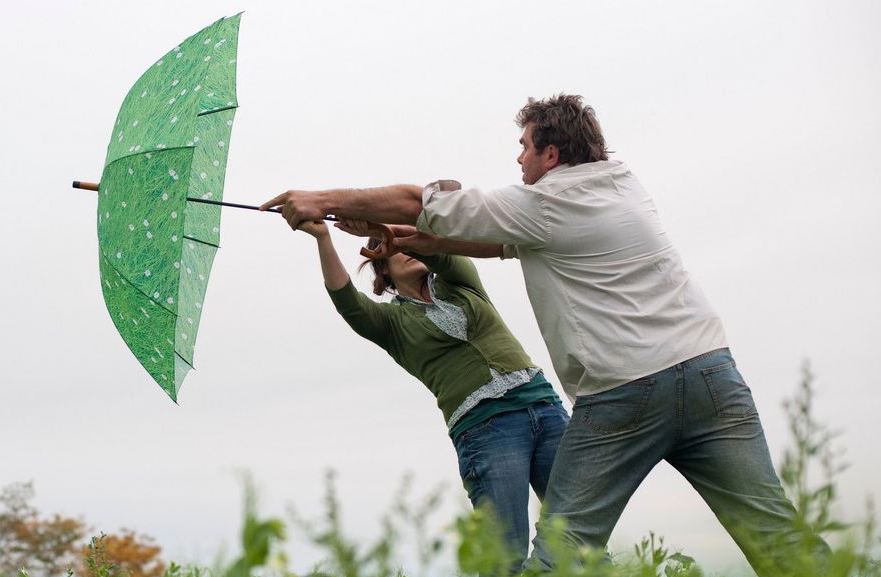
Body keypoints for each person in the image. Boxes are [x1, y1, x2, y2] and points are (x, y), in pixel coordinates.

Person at [259, 94, 820, 574]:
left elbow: (422, 202)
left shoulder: (544, 205)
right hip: (710, 373)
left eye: (525, 147)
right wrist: (419, 239)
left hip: (626, 392)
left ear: (552, 154)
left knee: (563, 552)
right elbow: (507, 240)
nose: (518, 157)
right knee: (777, 535)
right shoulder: (623, 184)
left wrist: (321, 201)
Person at [289, 214, 566, 570]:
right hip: (487, 429)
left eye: (410, 242)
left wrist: (397, 235)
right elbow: (347, 301)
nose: (407, 248)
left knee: (579, 531)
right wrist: (323, 238)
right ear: (383, 270)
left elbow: (445, 254)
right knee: (504, 554)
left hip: (543, 406)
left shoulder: (459, 283)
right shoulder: (391, 324)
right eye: (394, 249)